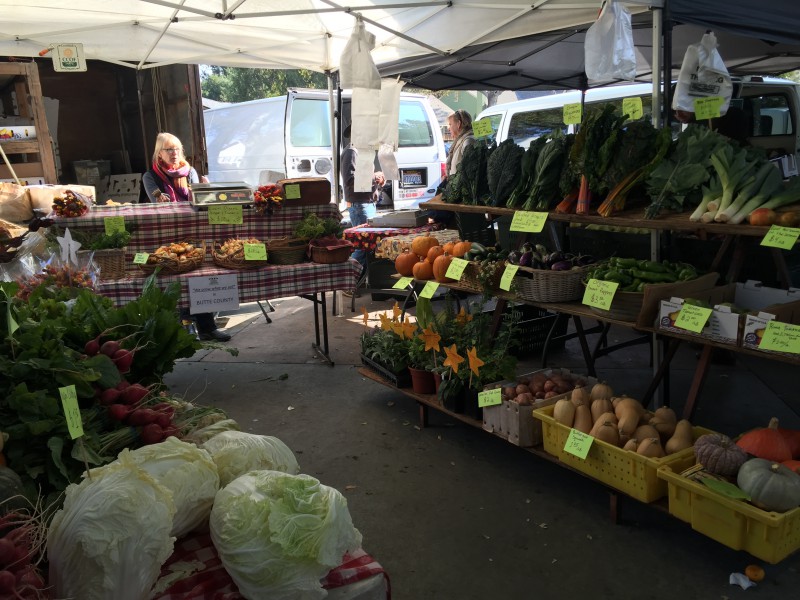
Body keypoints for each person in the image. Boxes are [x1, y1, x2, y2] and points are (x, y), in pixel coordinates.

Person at [143, 132, 231, 342]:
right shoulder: (150, 176)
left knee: (199, 278)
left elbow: (198, 200)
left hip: (194, 232)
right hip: (168, 235)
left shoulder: (190, 171)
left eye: (176, 149)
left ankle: (207, 327)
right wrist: (161, 199)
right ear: (159, 153)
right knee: (178, 280)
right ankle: (186, 327)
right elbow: (157, 202)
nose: (173, 153)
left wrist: (203, 190)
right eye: (168, 149)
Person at [340, 125, 381, 297]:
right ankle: (348, 283)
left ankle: (355, 281)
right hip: (360, 204)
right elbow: (350, 181)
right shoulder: (351, 152)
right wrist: (374, 178)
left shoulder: (360, 152)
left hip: (365, 203)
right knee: (363, 246)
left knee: (366, 244)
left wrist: (377, 181)